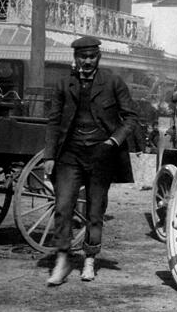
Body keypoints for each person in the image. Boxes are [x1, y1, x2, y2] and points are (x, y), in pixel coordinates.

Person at [43, 36, 138, 285]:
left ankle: (89, 260)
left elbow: (130, 118)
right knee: (63, 207)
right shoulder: (64, 84)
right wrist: (49, 156)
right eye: (82, 57)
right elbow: (53, 122)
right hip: (69, 156)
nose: (87, 61)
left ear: (99, 57)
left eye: (92, 57)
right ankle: (62, 260)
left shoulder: (113, 82)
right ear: (75, 58)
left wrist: (112, 142)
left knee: (95, 211)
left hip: (101, 156)